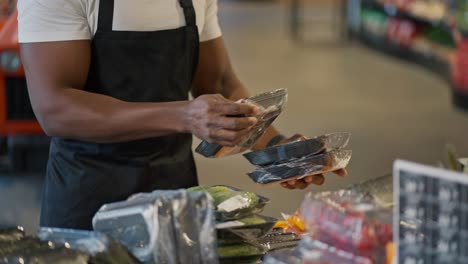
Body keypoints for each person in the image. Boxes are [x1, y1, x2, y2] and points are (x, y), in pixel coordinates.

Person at [18, 0, 346, 230]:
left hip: (176, 197)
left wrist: (279, 151)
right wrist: (183, 116)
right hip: (88, 200)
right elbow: (55, 108)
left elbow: (219, 82)